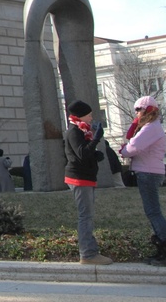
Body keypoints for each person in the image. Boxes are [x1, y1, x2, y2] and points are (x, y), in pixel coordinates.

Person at [119, 95, 166, 267]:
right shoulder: (152, 127)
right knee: (153, 211)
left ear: (147, 110)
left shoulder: (151, 128)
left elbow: (132, 147)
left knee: (153, 212)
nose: (136, 113)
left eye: (138, 109)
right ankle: (164, 249)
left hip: (148, 171)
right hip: (148, 170)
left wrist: (124, 150)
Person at [64, 99, 111, 265]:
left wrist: (95, 155)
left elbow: (84, 154)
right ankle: (88, 254)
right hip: (79, 178)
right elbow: (81, 153)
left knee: (88, 216)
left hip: (86, 177)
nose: (91, 118)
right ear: (82, 115)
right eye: (89, 114)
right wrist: (96, 139)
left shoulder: (81, 131)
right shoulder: (74, 131)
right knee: (85, 216)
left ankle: (90, 251)